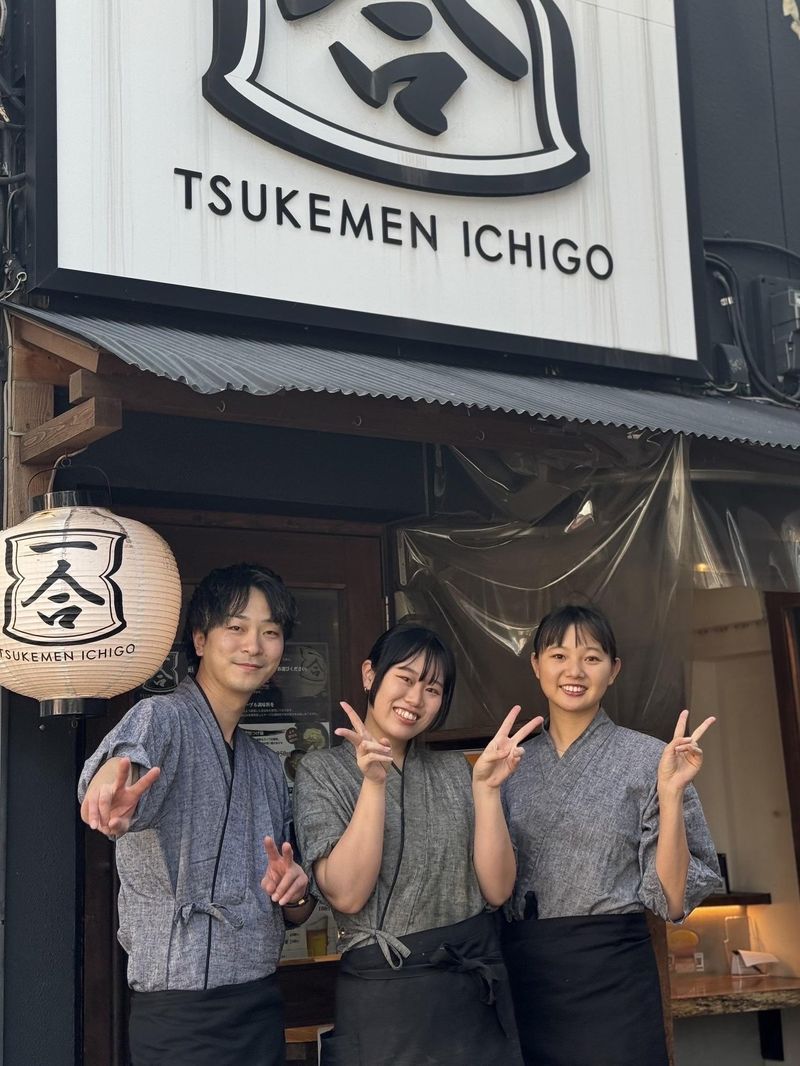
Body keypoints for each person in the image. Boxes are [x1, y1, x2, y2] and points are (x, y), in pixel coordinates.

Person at [78, 563, 314, 1066]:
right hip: (179, 1011)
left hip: (259, 1000)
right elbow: (122, 759)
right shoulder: (161, 717)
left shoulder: (266, 765)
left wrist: (295, 891)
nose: (254, 646)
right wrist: (108, 789)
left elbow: (297, 909)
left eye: (270, 632)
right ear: (201, 638)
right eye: (236, 627)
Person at [293, 622, 539, 1066]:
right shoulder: (321, 771)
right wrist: (373, 785)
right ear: (370, 674)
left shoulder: (457, 772)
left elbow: (498, 889)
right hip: (384, 1002)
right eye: (404, 678)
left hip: (469, 997)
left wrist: (486, 791)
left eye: (432, 689)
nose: (415, 699)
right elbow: (346, 894)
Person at [499, 603, 723, 1066]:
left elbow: (672, 901)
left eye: (592, 658)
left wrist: (670, 794)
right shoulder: (508, 768)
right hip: (526, 978)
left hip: (614, 980)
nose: (574, 671)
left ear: (614, 670)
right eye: (559, 656)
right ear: (536, 665)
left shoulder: (652, 760)